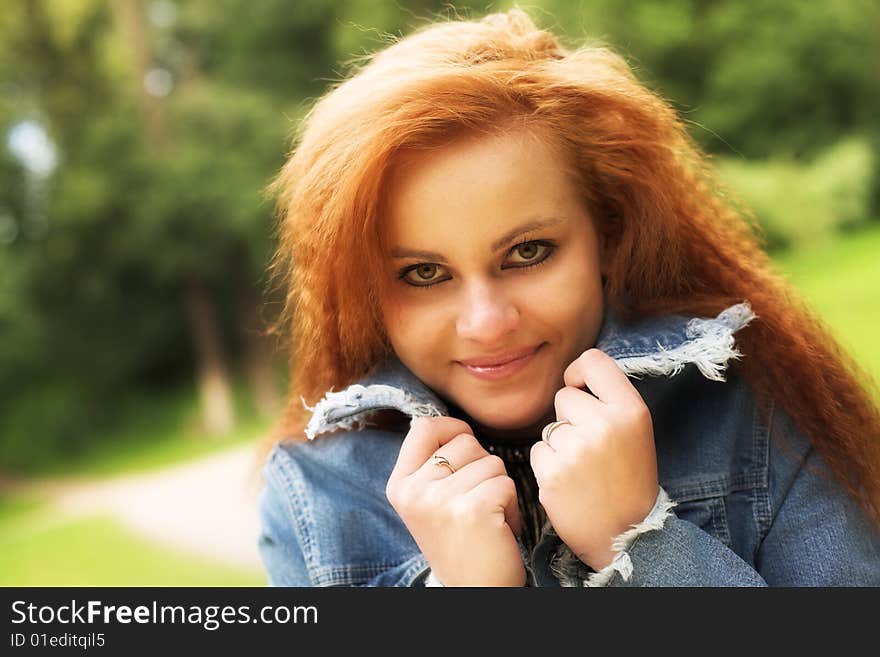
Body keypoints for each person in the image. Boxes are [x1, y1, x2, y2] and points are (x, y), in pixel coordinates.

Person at [256, 8, 880, 586]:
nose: (487, 323)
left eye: (527, 252)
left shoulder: (758, 410)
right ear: (365, 288)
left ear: (607, 235)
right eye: (424, 273)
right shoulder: (315, 496)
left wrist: (642, 543)